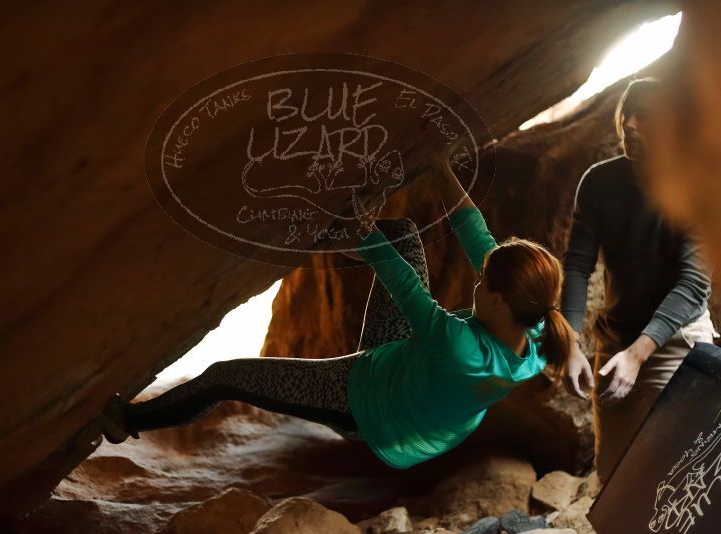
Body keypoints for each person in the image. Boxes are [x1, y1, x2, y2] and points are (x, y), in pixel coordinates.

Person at [99, 147, 574, 470]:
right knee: (403, 235)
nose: (476, 276)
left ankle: (127, 422)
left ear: (494, 299)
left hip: (366, 407)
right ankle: (344, 238)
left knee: (226, 375)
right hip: (411, 370)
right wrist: (439, 166)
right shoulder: (534, 327)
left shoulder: (459, 347)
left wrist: (360, 229)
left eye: (481, 280)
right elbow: (480, 241)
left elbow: (406, 288)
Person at [560, 77, 718, 485]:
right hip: (616, 340)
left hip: (677, 340)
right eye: (626, 115)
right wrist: (570, 342)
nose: (630, 124)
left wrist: (638, 355)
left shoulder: (696, 186)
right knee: (613, 473)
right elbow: (577, 265)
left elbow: (692, 285)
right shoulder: (598, 183)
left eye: (644, 116)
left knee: (677, 474)